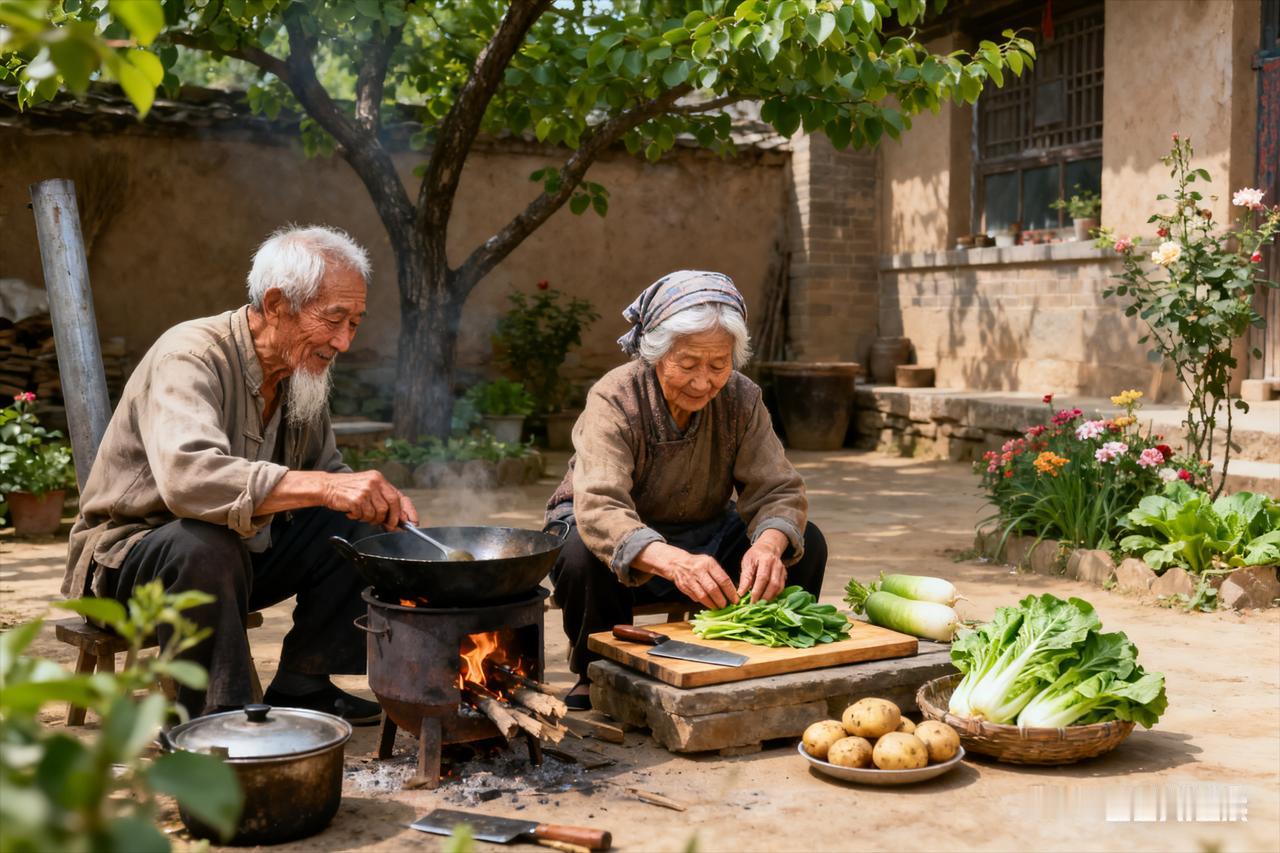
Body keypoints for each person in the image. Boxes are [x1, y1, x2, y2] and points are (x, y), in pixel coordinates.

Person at [63, 225, 417, 723]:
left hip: (241, 558)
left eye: (355, 323)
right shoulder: (190, 355)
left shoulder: (299, 371)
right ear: (276, 305)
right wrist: (330, 487)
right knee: (204, 543)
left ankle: (304, 682)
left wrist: (363, 496)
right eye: (335, 319)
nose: (344, 341)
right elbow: (190, 479)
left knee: (359, 525)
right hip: (133, 564)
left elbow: (326, 473)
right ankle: (216, 723)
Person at [546, 270, 828, 710]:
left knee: (804, 541)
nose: (703, 382)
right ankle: (595, 671)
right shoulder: (615, 397)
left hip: (704, 534)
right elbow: (600, 506)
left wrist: (770, 545)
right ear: (657, 354)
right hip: (615, 539)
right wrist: (673, 561)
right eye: (689, 364)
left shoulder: (742, 397)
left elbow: (777, 489)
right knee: (581, 550)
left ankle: (765, 657)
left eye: (718, 365)